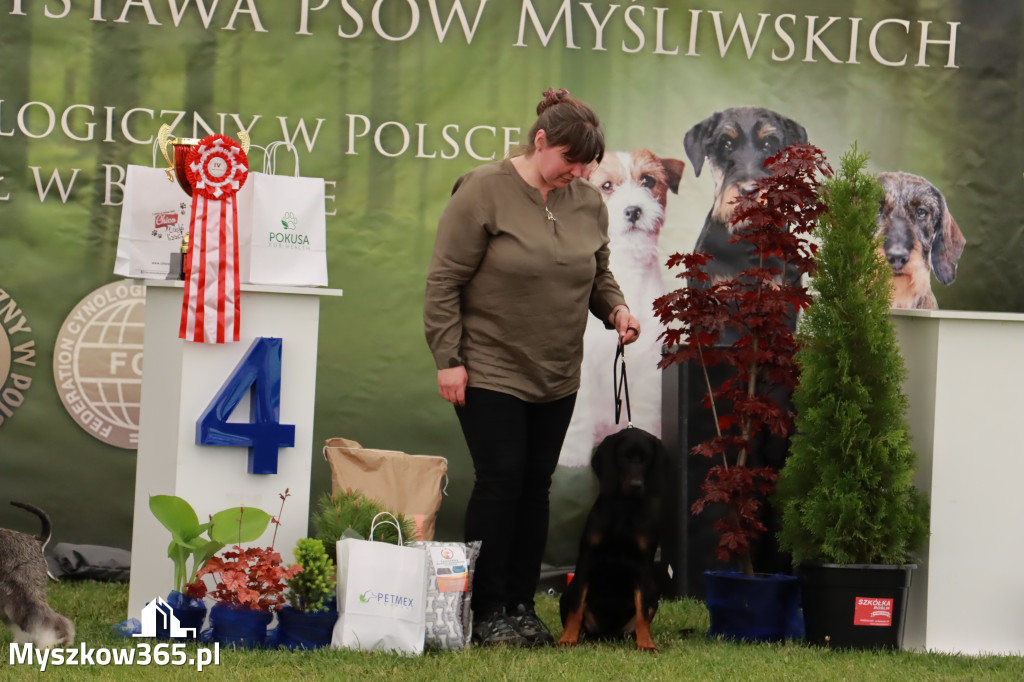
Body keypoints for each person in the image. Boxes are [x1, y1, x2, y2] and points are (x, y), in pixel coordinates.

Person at [423, 88, 641, 647]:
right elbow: (444, 281)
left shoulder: (588, 202)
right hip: (490, 365)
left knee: (535, 487)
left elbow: (597, 272)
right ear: (540, 140)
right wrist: (450, 359)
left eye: (586, 166)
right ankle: (487, 608)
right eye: (569, 160)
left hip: (557, 371)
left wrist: (615, 308)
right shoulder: (483, 190)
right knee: (501, 483)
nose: (577, 172)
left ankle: (521, 605)